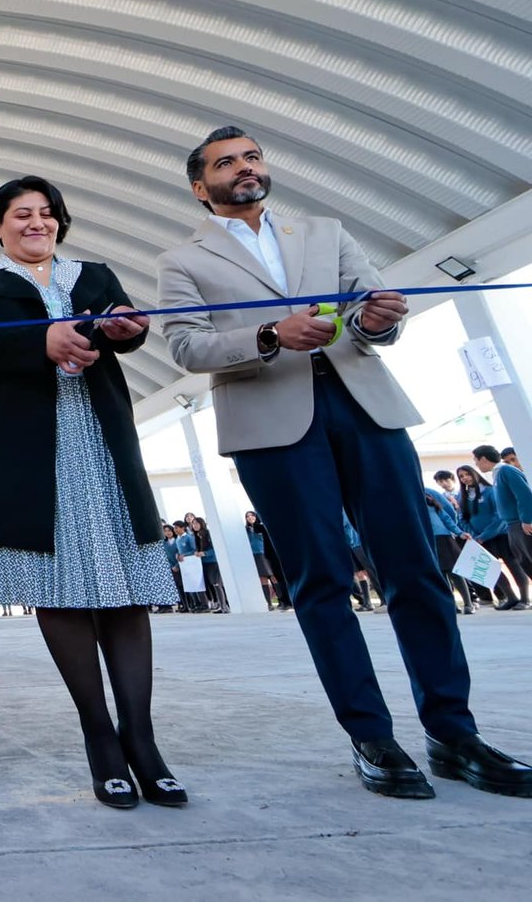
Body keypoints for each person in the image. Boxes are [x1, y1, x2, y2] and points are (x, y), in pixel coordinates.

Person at [157, 125, 532, 799]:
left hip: (367, 407)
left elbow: (376, 313)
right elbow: (186, 347)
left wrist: (382, 318)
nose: (244, 168)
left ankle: (454, 731)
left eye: (252, 157)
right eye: (226, 163)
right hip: (272, 425)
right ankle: (373, 737)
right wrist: (271, 334)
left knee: (415, 569)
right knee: (321, 580)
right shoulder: (183, 261)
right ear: (200, 186)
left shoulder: (325, 233)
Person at [0, 175, 183, 810]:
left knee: (126, 593)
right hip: (30, 455)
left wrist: (122, 328)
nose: (37, 223)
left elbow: (129, 332)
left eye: (47, 214)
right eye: (21, 214)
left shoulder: (94, 275)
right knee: (61, 593)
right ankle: (100, 738)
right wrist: (41, 341)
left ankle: (144, 741)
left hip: (101, 446)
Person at [456, 464, 523, 610]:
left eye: (467, 474)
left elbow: (498, 516)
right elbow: (462, 519)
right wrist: (474, 536)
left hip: (500, 536)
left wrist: (484, 535)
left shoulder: (490, 491)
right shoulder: (463, 496)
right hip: (479, 539)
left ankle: (525, 599)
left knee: (514, 565)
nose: (464, 478)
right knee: (492, 569)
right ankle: (511, 597)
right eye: (461, 476)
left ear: (475, 474)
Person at [473, 445, 532, 609]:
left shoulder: (506, 471)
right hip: (511, 525)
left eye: (476, 460)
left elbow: (525, 495)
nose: (476, 464)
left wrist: (527, 519)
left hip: (521, 524)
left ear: (483, 459)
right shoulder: (497, 475)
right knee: (525, 562)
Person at [422, 484, 473, 614]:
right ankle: (451, 604)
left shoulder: (429, 497)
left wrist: (459, 532)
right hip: (427, 541)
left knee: (454, 572)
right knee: (440, 574)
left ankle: (468, 603)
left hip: (443, 538)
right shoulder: (407, 502)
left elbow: (446, 518)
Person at [244, 511, 288, 611]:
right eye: (247, 516)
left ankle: (282, 600)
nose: (250, 517)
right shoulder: (246, 530)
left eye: (252, 515)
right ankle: (269, 603)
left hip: (265, 553)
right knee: (262, 578)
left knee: (273, 576)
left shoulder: (261, 527)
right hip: (256, 555)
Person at [191, 516, 229, 613]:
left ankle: (224, 607)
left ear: (202, 524)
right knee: (212, 585)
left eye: (197, 523)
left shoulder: (208, 534)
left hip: (212, 562)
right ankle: (220, 605)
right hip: (203, 563)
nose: (195, 525)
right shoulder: (196, 536)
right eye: (193, 524)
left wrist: (205, 553)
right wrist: (196, 552)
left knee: (217, 584)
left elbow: (215, 548)